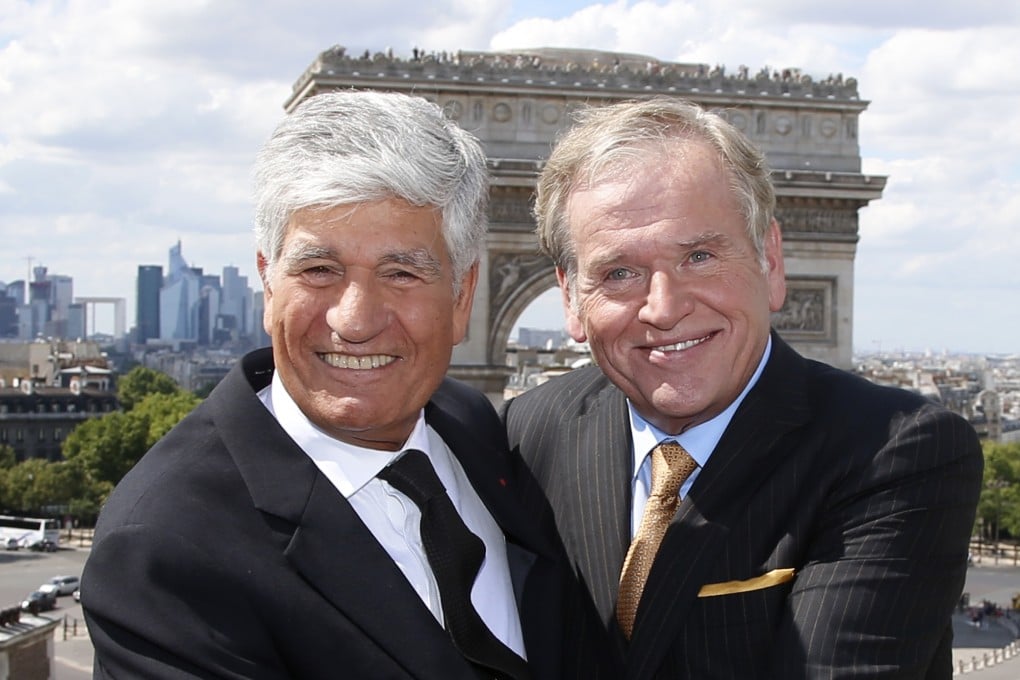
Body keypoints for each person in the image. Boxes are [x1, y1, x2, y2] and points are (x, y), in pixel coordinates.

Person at [82, 90, 612, 679]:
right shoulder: (165, 550)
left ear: (463, 296)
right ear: (268, 279)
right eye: (319, 270)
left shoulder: (477, 426)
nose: (354, 321)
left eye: (402, 272)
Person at [502, 97, 983, 678]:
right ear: (571, 298)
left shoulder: (895, 455)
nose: (664, 307)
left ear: (771, 261)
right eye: (619, 273)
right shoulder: (526, 431)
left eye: (700, 256)